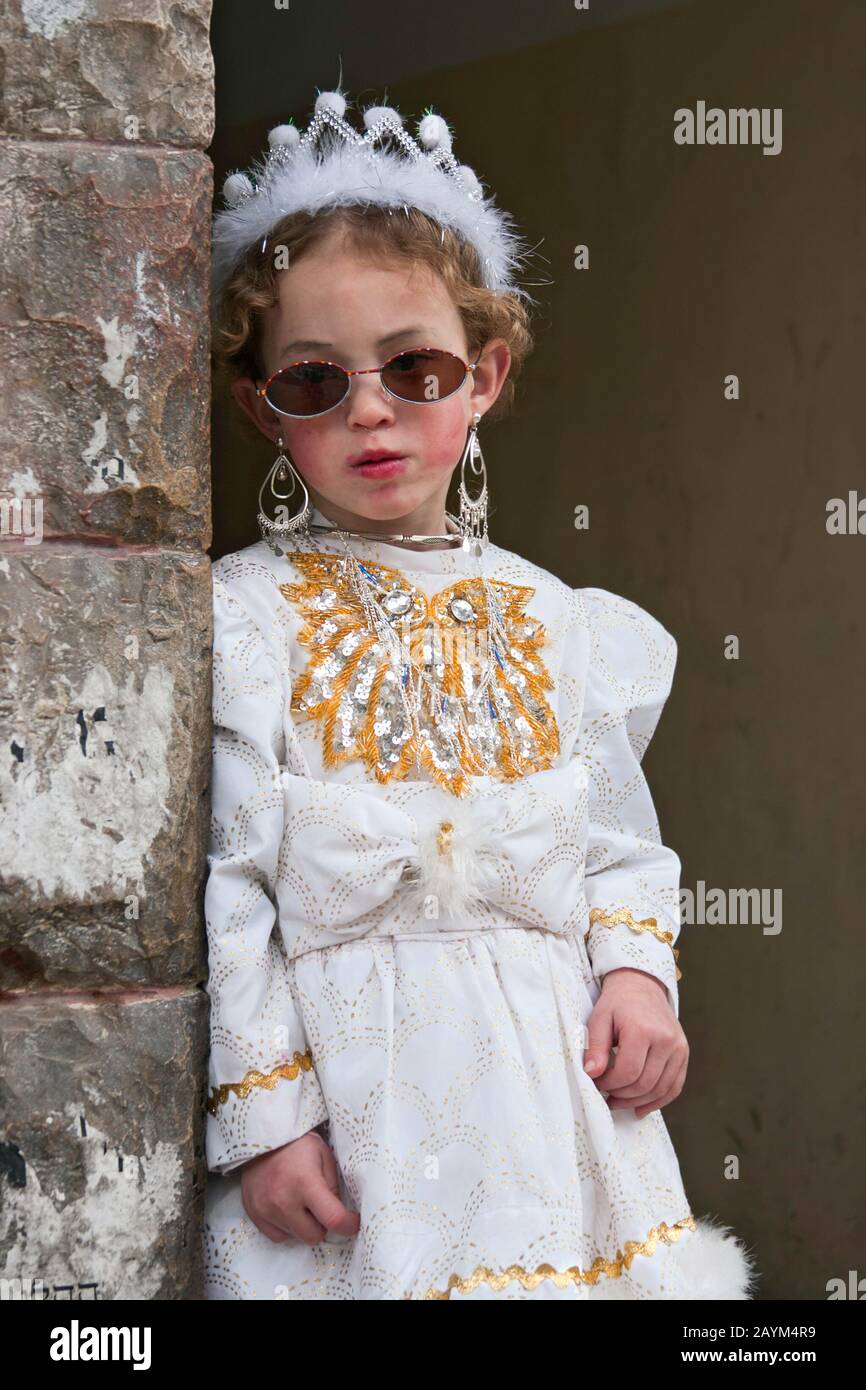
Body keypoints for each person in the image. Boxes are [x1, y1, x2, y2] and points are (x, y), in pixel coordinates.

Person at [202, 86, 757, 1300]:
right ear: (260, 406)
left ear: (485, 375)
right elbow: (233, 884)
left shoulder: (559, 621)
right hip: (363, 1109)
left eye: (414, 366)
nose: (368, 408)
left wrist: (633, 975)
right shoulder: (242, 618)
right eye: (312, 381)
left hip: (553, 1103)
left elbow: (615, 842)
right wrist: (265, 1116)